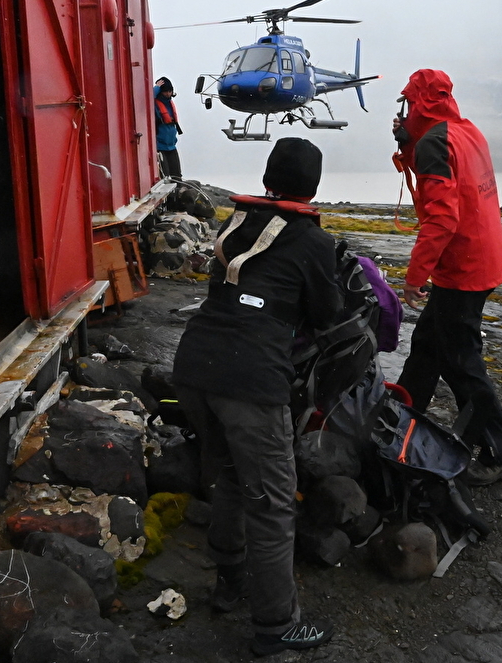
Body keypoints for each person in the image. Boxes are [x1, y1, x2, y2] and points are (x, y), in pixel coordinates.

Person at [171, 137, 340, 656]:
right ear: (312, 187)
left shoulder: (235, 222)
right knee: (271, 503)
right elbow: (329, 312)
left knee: (227, 477)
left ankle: (230, 582)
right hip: (251, 382)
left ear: (269, 178)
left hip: (195, 366)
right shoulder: (313, 243)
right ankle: (275, 625)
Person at [392, 69, 502, 486]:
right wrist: (410, 145)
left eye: (408, 103)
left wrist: (415, 276)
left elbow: (442, 218)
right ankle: (401, 423)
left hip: (463, 265)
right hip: (482, 257)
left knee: (461, 361)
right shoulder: (464, 131)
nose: (405, 110)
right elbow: (448, 180)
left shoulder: (434, 142)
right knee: (429, 346)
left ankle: (499, 453)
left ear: (419, 102)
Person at [154, 77, 182, 178]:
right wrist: (157, 87)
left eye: (170, 91)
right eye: (165, 91)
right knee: (165, 175)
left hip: (171, 145)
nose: (168, 94)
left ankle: (178, 191)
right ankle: (171, 193)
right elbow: (148, 96)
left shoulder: (169, 103)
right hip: (160, 146)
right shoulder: (154, 103)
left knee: (177, 174)